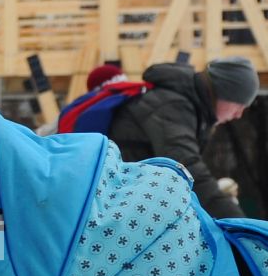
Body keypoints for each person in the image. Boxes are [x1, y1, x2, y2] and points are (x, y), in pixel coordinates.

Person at [107, 56, 259, 220]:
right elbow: (186, 168)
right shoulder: (171, 106)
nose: (238, 114)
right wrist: (239, 224)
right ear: (224, 92)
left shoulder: (187, 106)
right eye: (239, 105)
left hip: (127, 204)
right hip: (117, 209)